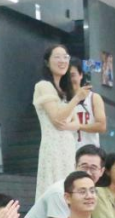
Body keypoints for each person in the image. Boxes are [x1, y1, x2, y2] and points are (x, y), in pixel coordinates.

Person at [33, 45, 87, 198]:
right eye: (57, 57)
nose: (62, 61)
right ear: (47, 62)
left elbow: (77, 123)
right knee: (54, 189)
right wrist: (77, 98)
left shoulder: (65, 90)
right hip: (53, 147)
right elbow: (57, 118)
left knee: (68, 190)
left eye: (65, 57)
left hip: (68, 147)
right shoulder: (43, 86)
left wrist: (66, 124)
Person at [18, 144, 104, 218]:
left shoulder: (93, 194)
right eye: (84, 166)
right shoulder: (59, 192)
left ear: (101, 171)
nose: (88, 172)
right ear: (75, 167)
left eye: (93, 168)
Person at [68, 59, 106, 149]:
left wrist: (78, 126)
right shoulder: (61, 100)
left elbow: (101, 126)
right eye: (66, 76)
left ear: (81, 75)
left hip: (89, 152)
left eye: (72, 75)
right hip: (68, 152)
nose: (69, 79)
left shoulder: (93, 98)